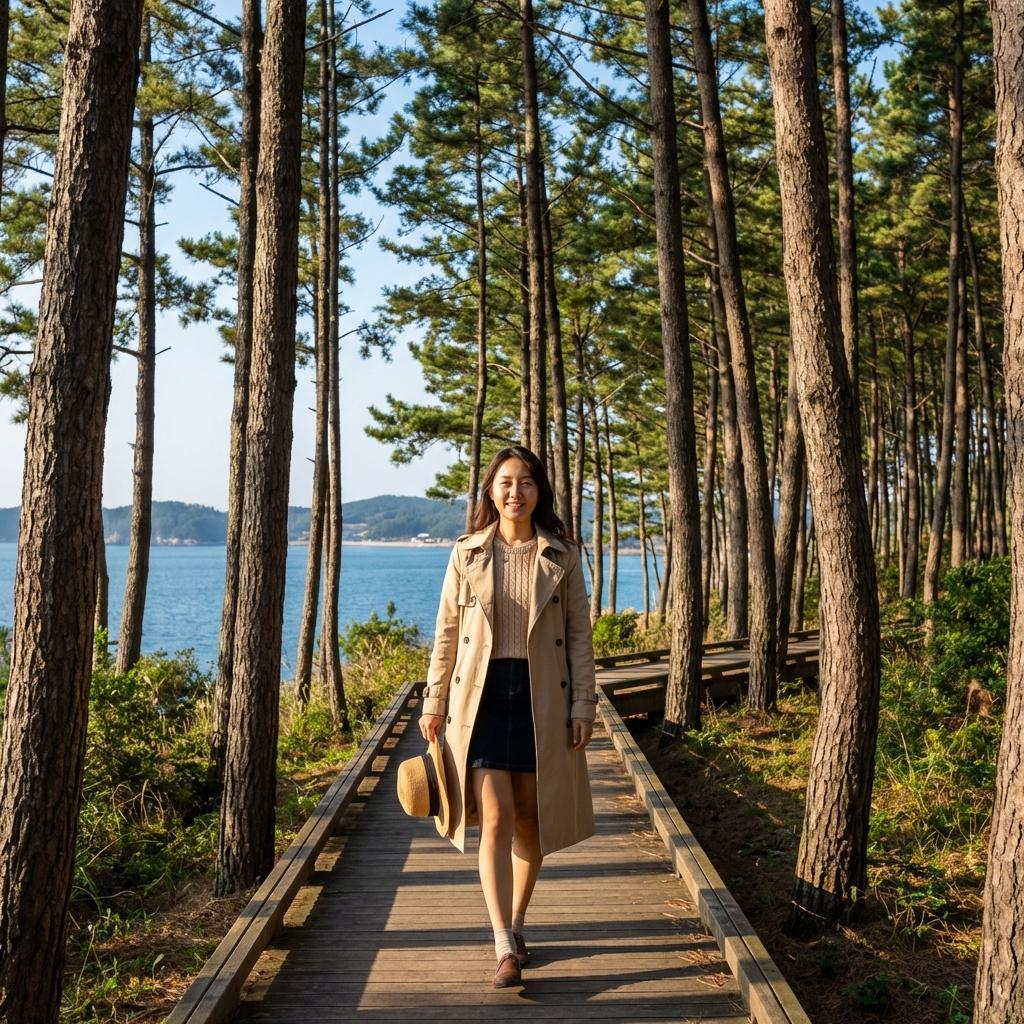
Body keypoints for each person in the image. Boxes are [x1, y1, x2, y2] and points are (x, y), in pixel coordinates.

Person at [419, 445, 597, 990]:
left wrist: (582, 705)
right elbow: (446, 631)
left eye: (524, 482)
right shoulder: (466, 553)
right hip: (482, 696)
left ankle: (518, 922)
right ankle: (502, 943)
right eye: (504, 482)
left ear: (538, 492)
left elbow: (579, 638)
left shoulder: (562, 555)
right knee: (493, 816)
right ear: (490, 492)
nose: (514, 491)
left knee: (531, 821)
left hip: (543, 696)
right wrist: (433, 701)